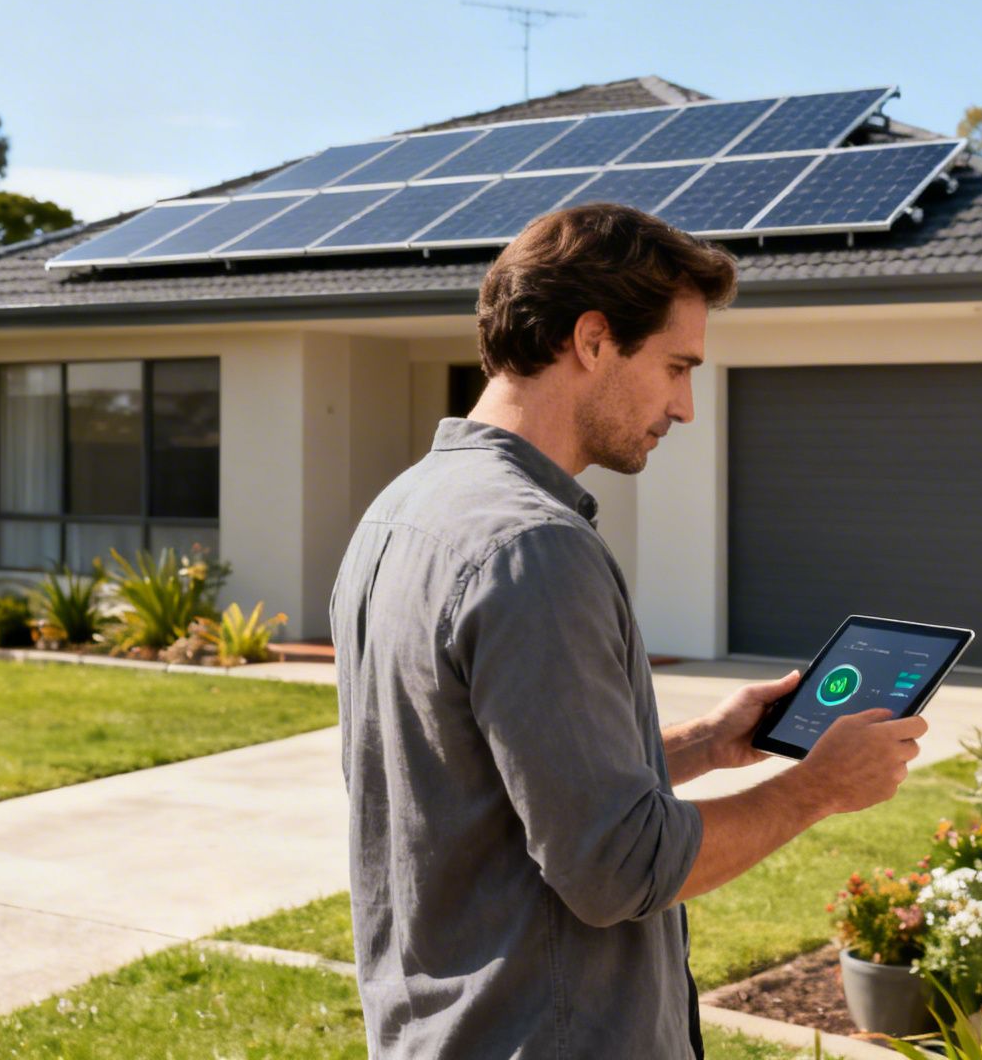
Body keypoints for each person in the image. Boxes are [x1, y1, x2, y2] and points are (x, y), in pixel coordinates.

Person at [332, 202, 930, 1058]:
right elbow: (620, 868)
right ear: (592, 340)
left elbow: (486, 776)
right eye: (677, 366)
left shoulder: (400, 514)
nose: (685, 406)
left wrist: (701, 744)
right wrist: (818, 789)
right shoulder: (533, 547)